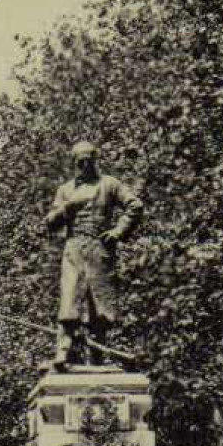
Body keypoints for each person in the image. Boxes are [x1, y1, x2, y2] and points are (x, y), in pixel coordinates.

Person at [44, 140, 143, 369]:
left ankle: (95, 360)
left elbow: (135, 206)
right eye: (81, 162)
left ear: (96, 160)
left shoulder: (109, 184)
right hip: (74, 250)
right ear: (75, 163)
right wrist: (68, 207)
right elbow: (50, 223)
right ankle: (63, 351)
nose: (85, 165)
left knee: (100, 308)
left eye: (89, 160)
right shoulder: (66, 190)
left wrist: (118, 231)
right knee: (69, 300)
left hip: (99, 250)